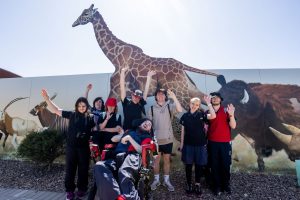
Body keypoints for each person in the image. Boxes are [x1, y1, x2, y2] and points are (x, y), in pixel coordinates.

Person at [41, 89, 96, 200]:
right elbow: (56, 110)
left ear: (86, 107)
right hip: (71, 148)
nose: (81, 108)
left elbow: (93, 131)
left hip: (84, 149)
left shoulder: (90, 118)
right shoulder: (71, 114)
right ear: (76, 106)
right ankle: (70, 191)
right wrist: (47, 99)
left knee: (83, 170)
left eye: (83, 106)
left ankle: (82, 189)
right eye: (79, 106)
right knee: (70, 170)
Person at [94, 118, 153, 200]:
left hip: (133, 156)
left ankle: (129, 197)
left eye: (150, 124)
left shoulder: (147, 137)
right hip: (117, 156)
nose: (148, 124)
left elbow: (140, 150)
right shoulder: (129, 131)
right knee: (99, 166)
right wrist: (123, 135)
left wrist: (129, 139)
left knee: (124, 171)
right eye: (146, 122)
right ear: (139, 124)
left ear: (150, 129)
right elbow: (113, 139)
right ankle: (115, 196)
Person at [148, 88, 183, 192]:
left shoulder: (170, 106)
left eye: (163, 94)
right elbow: (148, 125)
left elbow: (180, 110)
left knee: (167, 160)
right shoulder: (150, 108)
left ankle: (167, 181)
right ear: (156, 96)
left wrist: (174, 97)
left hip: (168, 139)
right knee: (156, 161)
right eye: (158, 94)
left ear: (165, 96)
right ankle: (156, 180)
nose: (161, 96)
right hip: (155, 141)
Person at [179, 96, 216, 195]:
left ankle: (197, 184)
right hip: (188, 145)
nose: (194, 106)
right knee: (188, 165)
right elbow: (182, 132)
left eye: (197, 105)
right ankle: (188, 184)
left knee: (199, 166)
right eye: (193, 104)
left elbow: (213, 116)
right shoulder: (185, 116)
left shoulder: (202, 115)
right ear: (189, 104)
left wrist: (208, 103)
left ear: (199, 106)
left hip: (200, 145)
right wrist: (182, 144)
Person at [206, 92, 236, 196]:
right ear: (210, 100)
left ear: (220, 99)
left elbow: (233, 126)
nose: (215, 99)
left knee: (225, 165)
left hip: (225, 143)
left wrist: (231, 115)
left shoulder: (226, 110)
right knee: (214, 165)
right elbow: (212, 117)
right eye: (213, 98)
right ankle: (217, 186)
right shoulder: (207, 111)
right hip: (212, 143)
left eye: (217, 98)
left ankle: (226, 185)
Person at [120, 66, 156, 131]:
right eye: (135, 96)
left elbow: (146, 91)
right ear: (132, 95)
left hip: (138, 132)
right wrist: (122, 72)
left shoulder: (140, 104)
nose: (136, 98)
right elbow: (122, 88)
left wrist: (149, 76)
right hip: (127, 131)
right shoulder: (126, 103)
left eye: (138, 97)